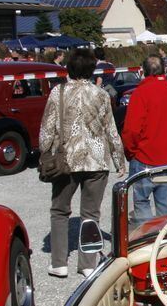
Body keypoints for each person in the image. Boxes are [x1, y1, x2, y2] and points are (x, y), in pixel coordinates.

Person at [39, 48, 125, 278]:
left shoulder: (58, 93)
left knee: (59, 210)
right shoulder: (101, 95)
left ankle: (59, 262)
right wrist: (119, 160)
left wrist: (44, 152)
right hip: (96, 160)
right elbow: (111, 130)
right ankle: (87, 264)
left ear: (69, 68)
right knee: (91, 214)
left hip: (66, 160)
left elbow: (47, 130)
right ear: (91, 70)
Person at [121, 55, 167, 219]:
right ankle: (163, 238)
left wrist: (131, 152)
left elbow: (131, 130)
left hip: (144, 157)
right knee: (164, 204)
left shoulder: (140, 93)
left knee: (142, 202)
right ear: (164, 70)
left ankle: (148, 238)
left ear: (143, 71)